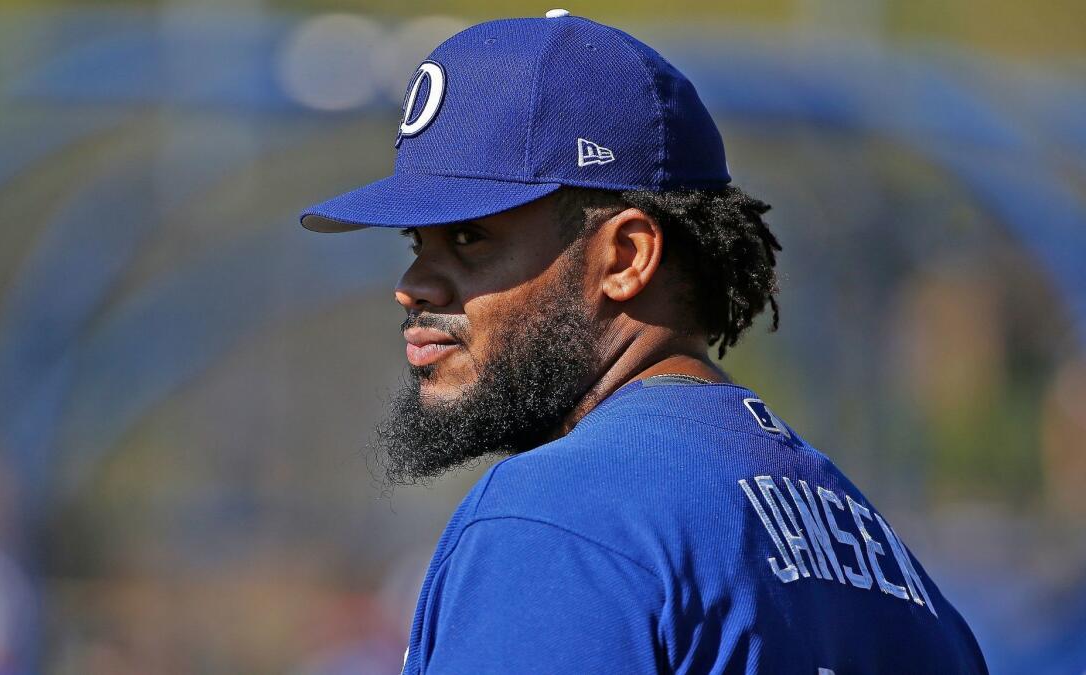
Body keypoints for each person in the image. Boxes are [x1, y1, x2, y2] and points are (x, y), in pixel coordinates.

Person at [299, 10, 988, 674]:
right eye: (418, 243)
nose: (413, 284)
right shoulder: (884, 560)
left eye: (470, 237)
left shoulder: (556, 518)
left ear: (625, 256)